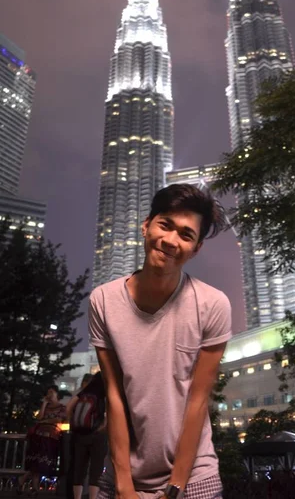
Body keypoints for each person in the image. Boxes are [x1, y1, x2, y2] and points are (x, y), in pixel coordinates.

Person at [89, 184, 232, 499]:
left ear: (196, 248)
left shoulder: (212, 305)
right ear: (146, 225)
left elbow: (197, 401)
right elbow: (114, 396)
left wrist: (176, 487)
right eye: (165, 225)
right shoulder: (103, 300)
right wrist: (125, 487)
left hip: (194, 478)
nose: (170, 241)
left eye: (185, 234)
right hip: (121, 475)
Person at [18, 385, 67, 496]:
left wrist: (45, 420)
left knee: (42, 462)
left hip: (51, 436)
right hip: (39, 436)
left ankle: (23, 479)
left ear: (56, 393)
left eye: (51, 392)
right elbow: (39, 417)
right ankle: (34, 488)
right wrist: (44, 404)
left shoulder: (62, 407)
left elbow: (58, 419)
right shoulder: (46, 406)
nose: (49, 394)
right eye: (48, 392)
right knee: (36, 462)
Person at [66, 372, 107, 499]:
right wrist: (102, 427)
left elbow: (68, 407)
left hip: (79, 435)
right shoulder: (104, 393)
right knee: (96, 469)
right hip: (97, 436)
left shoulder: (83, 393)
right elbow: (109, 414)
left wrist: (72, 423)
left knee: (79, 469)